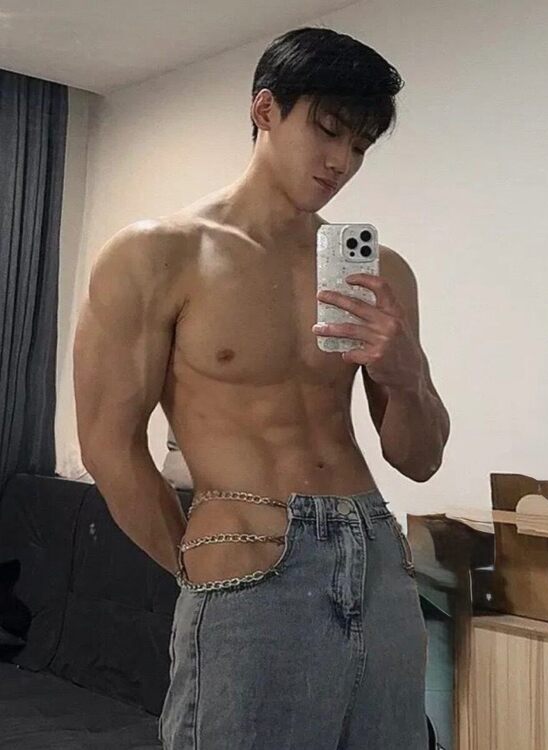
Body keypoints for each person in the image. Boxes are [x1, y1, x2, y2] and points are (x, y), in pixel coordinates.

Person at [73, 26, 450, 750]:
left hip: (376, 557)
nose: (341, 162)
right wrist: (200, 566)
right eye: (329, 131)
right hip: (248, 558)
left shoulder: (380, 273)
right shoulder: (158, 254)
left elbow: (420, 459)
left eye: (361, 146)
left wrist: (406, 376)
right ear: (265, 109)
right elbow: (108, 445)